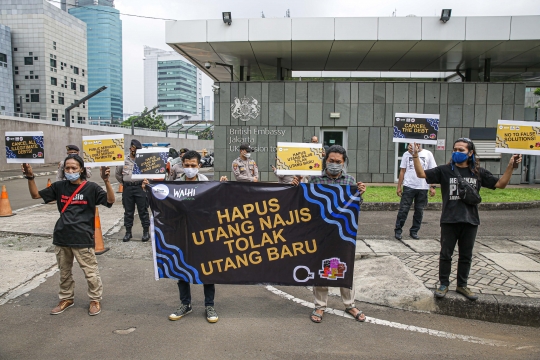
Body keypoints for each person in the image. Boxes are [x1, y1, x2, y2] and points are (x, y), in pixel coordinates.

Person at [412, 138, 522, 301]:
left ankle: (462, 285)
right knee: (445, 254)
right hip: (449, 220)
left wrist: (510, 166)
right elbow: (421, 174)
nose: (457, 152)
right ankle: (443, 284)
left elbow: (500, 184)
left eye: (461, 150)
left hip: (470, 221)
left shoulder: (477, 172)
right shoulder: (444, 171)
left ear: (470, 153)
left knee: (466, 255)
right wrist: (415, 156)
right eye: (455, 149)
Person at [22, 155, 115, 316]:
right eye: (67, 168)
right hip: (62, 236)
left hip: (83, 238)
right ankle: (66, 298)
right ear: (64, 170)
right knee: (64, 272)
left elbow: (110, 201)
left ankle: (95, 300)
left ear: (81, 170)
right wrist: (30, 176)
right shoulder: (59, 187)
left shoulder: (91, 188)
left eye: (74, 168)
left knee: (90, 272)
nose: (70, 171)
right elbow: (36, 195)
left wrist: (106, 180)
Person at [143, 150, 228, 323]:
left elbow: (216, 206)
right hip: (180, 233)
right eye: (187, 165)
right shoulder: (173, 185)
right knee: (180, 267)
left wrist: (222, 187)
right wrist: (149, 188)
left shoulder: (207, 183)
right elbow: (163, 205)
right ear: (182, 166)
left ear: (199, 166)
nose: (190, 168)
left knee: (207, 269)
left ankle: (209, 305)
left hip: (203, 233)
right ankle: (185, 304)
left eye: (193, 166)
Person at [292, 145, 366, 323]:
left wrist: (360, 193)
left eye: (338, 162)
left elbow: (355, 206)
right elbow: (303, 204)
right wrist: (296, 188)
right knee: (321, 268)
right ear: (326, 161)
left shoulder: (350, 181)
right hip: (320, 233)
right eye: (331, 161)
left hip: (342, 234)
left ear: (343, 162)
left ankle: (350, 305)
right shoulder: (314, 180)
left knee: (344, 267)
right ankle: (320, 306)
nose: (334, 164)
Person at [394, 143, 437, 240]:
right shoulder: (406, 154)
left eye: (417, 143)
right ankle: (398, 230)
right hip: (409, 186)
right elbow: (402, 171)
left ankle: (414, 231)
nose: (414, 145)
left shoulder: (428, 154)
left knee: (419, 211)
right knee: (403, 209)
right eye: (411, 144)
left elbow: (433, 170)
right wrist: (399, 186)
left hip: (423, 187)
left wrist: (433, 186)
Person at [115, 139, 150, 242]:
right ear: (130, 148)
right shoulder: (123, 160)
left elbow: (149, 174)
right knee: (128, 211)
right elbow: (118, 174)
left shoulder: (144, 160)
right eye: (133, 149)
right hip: (128, 188)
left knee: (143, 211)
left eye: (137, 150)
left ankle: (145, 232)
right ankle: (128, 232)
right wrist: (125, 182)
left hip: (140, 188)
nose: (134, 151)